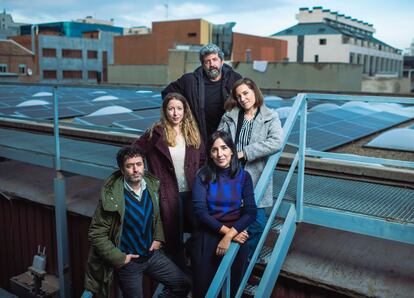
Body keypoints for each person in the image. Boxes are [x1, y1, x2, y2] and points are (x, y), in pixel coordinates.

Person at [84, 146, 190, 298]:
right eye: (129, 166)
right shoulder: (113, 196)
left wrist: (158, 237)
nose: (135, 170)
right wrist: (120, 258)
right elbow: (96, 234)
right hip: (129, 263)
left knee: (183, 284)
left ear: (144, 165)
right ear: (122, 170)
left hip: (151, 255)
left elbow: (156, 214)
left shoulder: (151, 186)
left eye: (139, 164)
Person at [133, 92, 205, 268]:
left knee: (200, 231)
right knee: (173, 237)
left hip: (192, 193)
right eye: (171, 108)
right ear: (165, 111)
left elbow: (203, 160)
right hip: (168, 194)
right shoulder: (156, 133)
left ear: (185, 110)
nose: (175, 113)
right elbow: (134, 151)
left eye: (179, 108)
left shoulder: (193, 133)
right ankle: (179, 277)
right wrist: (145, 178)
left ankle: (194, 264)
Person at [218, 77, 283, 256]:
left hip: (255, 177)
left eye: (246, 93)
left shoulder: (270, 116)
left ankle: (244, 260)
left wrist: (244, 152)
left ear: (254, 91)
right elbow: (218, 140)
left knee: (257, 224)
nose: (243, 98)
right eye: (238, 96)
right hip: (229, 176)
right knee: (228, 219)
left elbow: (277, 142)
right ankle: (231, 261)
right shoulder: (229, 116)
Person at [191, 130, 257, 297]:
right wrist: (228, 234)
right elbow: (200, 212)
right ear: (210, 154)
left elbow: (250, 212)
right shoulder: (202, 175)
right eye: (214, 150)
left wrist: (229, 236)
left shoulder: (244, 177)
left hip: (235, 234)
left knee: (232, 290)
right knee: (204, 289)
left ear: (232, 150)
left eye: (224, 148)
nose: (220, 154)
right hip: (208, 233)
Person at [162, 43, 242, 142]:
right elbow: (167, 94)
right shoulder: (189, 81)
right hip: (199, 138)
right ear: (203, 65)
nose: (212, 64)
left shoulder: (235, 79)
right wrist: (181, 111)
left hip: (227, 138)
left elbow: (248, 103)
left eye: (215, 59)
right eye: (207, 61)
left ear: (222, 61)